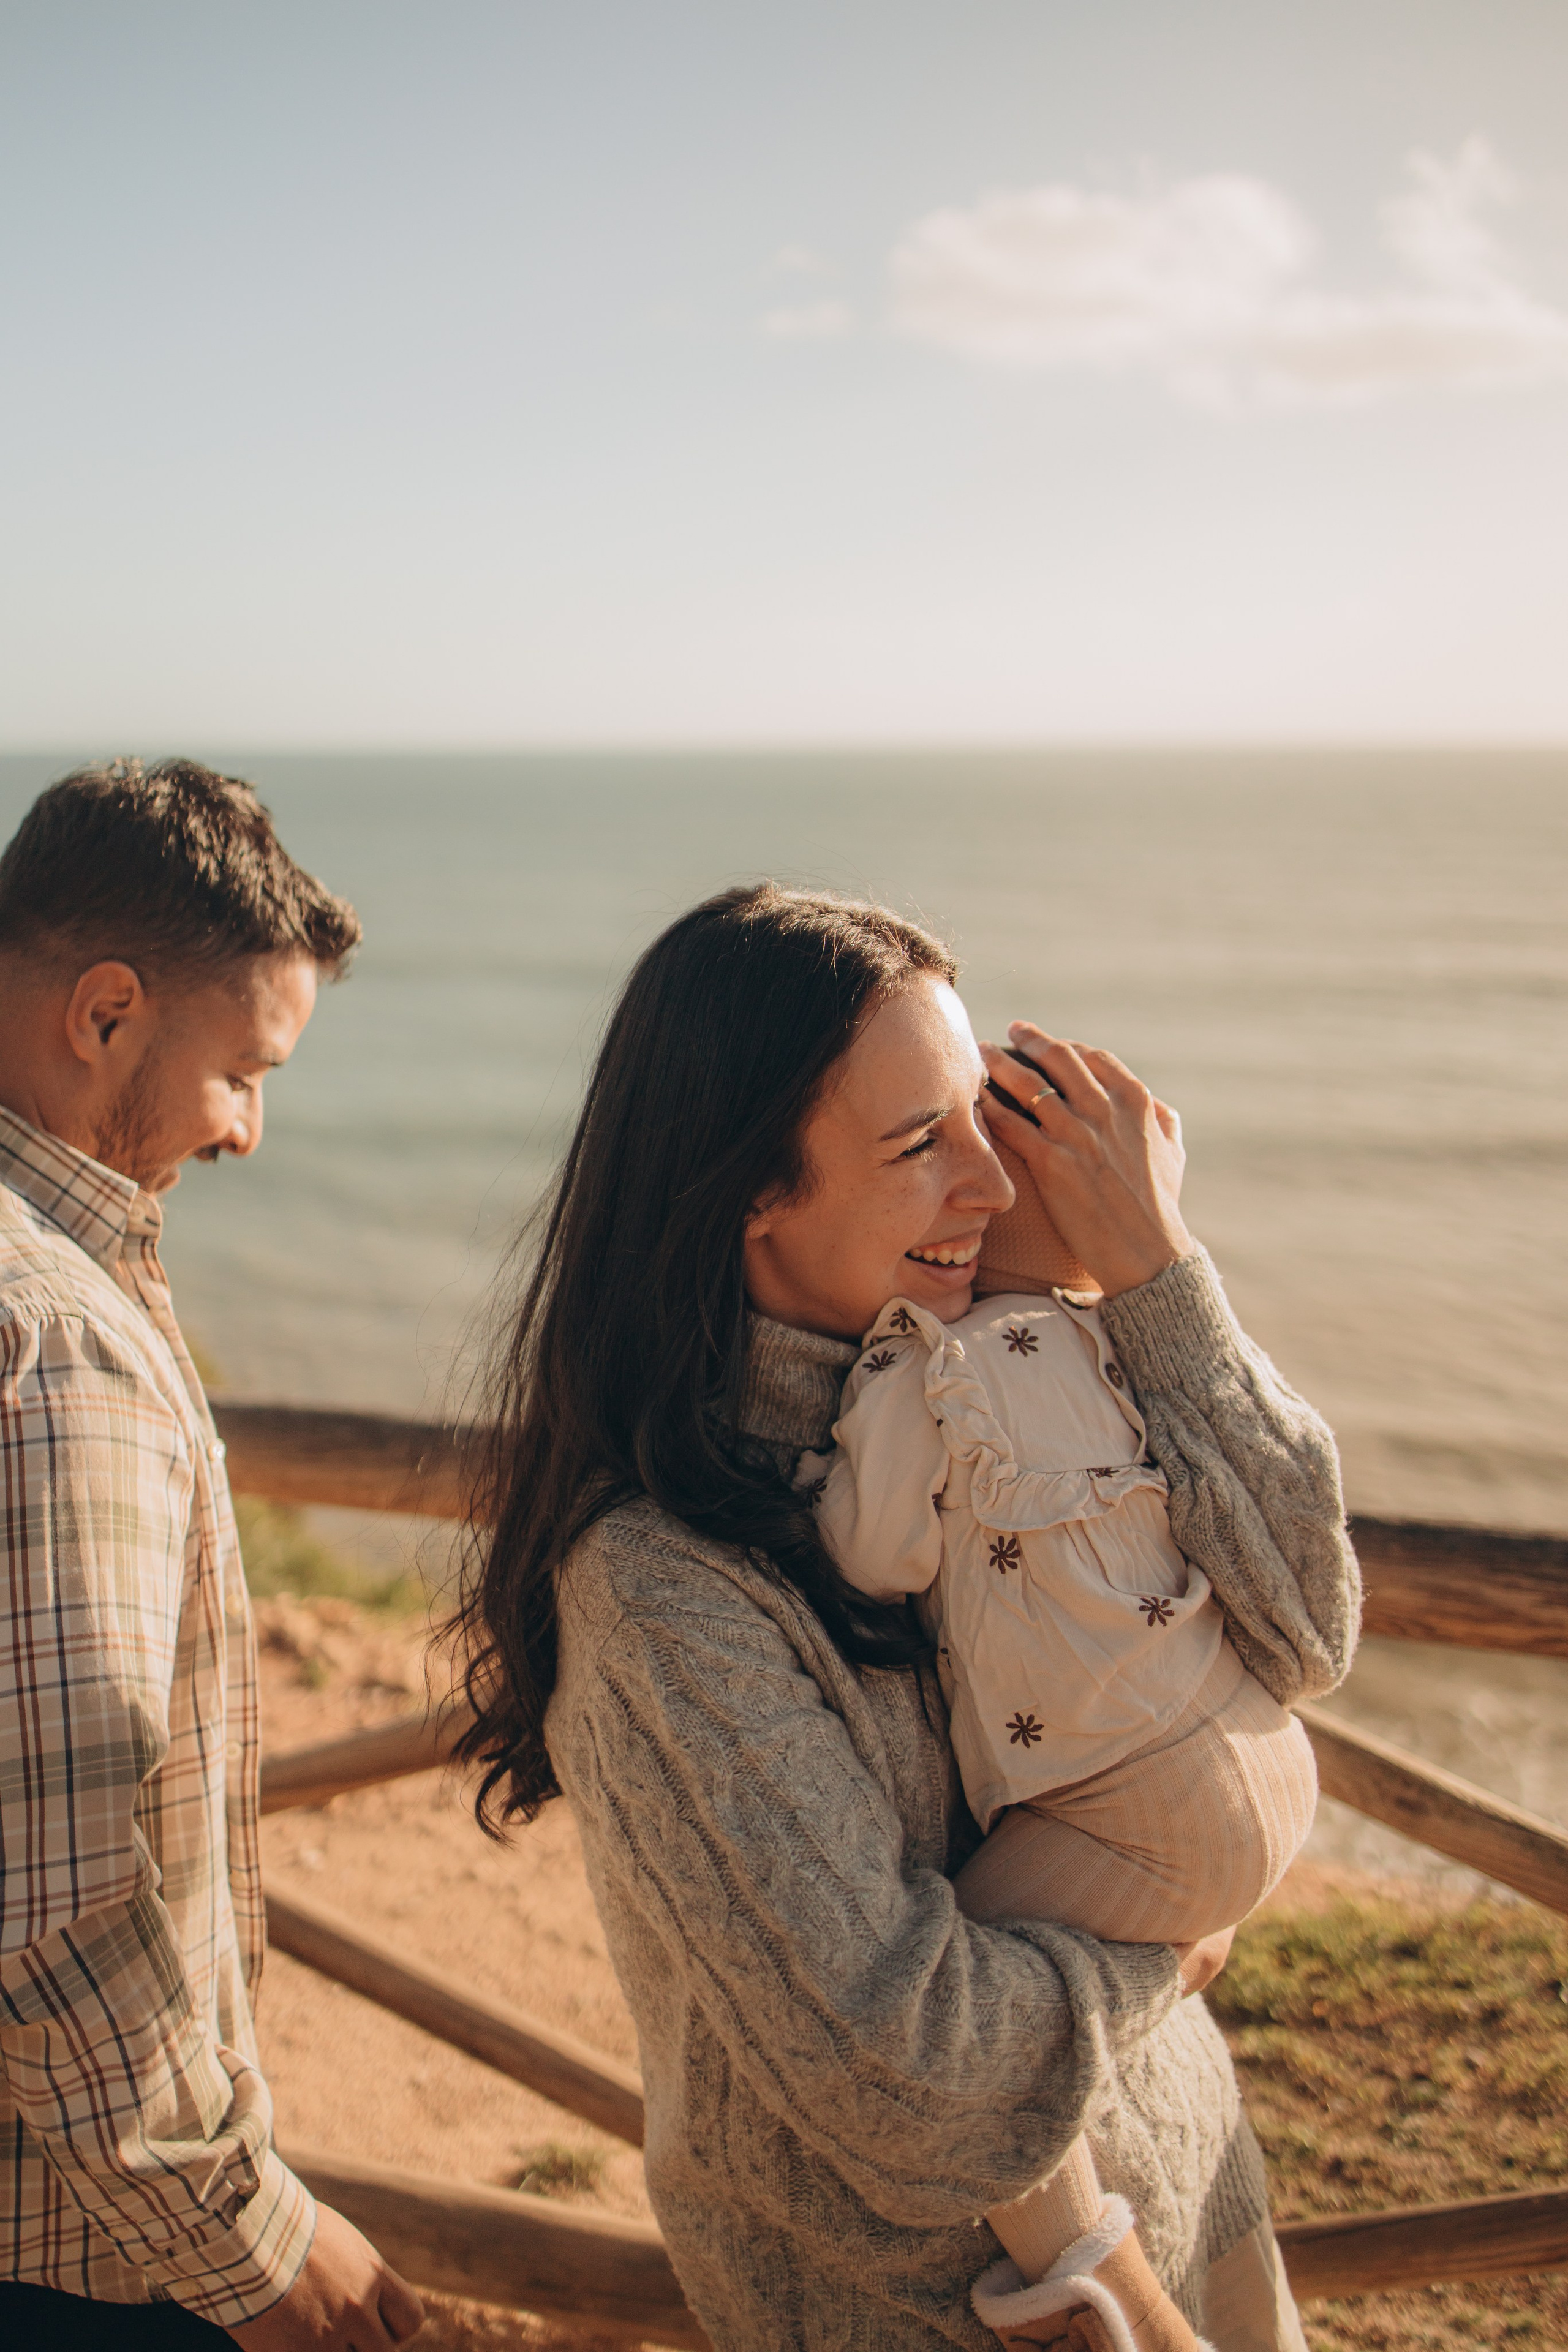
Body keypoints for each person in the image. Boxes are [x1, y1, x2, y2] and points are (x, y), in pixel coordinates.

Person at [451, 882, 1359, 2351]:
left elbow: (1307, 1629)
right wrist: (1171, 1949)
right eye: (917, 1145)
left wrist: (1158, 1280)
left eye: (979, 1122)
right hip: (935, 2321)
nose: (990, 1185)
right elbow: (908, 2080)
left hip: (1198, 2186)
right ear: (750, 1190)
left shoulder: (1009, 1365)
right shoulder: (660, 1589)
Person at [796, 1024, 1326, 2343]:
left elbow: (875, 1553)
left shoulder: (925, 1355)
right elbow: (1301, 1630)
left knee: (958, 2003)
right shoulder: (1130, 1345)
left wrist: (821, 1480)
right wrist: (1163, 1276)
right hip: (1263, 1754)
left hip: (1130, 1807)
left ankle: (1080, 2277)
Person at [0, 761, 424, 2348]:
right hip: (68, 2254)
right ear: (107, 1013)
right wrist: (251, 2238)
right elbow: (55, 1895)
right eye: (244, 1071)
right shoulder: (55, 1340)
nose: (248, 1129)